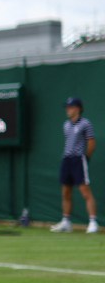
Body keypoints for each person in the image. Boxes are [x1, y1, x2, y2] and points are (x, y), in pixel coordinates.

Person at [51, 97, 98, 234]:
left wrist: (85, 157)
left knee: (85, 191)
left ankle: (93, 222)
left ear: (77, 109)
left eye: (70, 107)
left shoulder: (86, 124)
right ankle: (66, 222)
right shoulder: (65, 125)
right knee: (65, 191)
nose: (67, 110)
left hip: (79, 160)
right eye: (67, 107)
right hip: (66, 160)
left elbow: (91, 143)